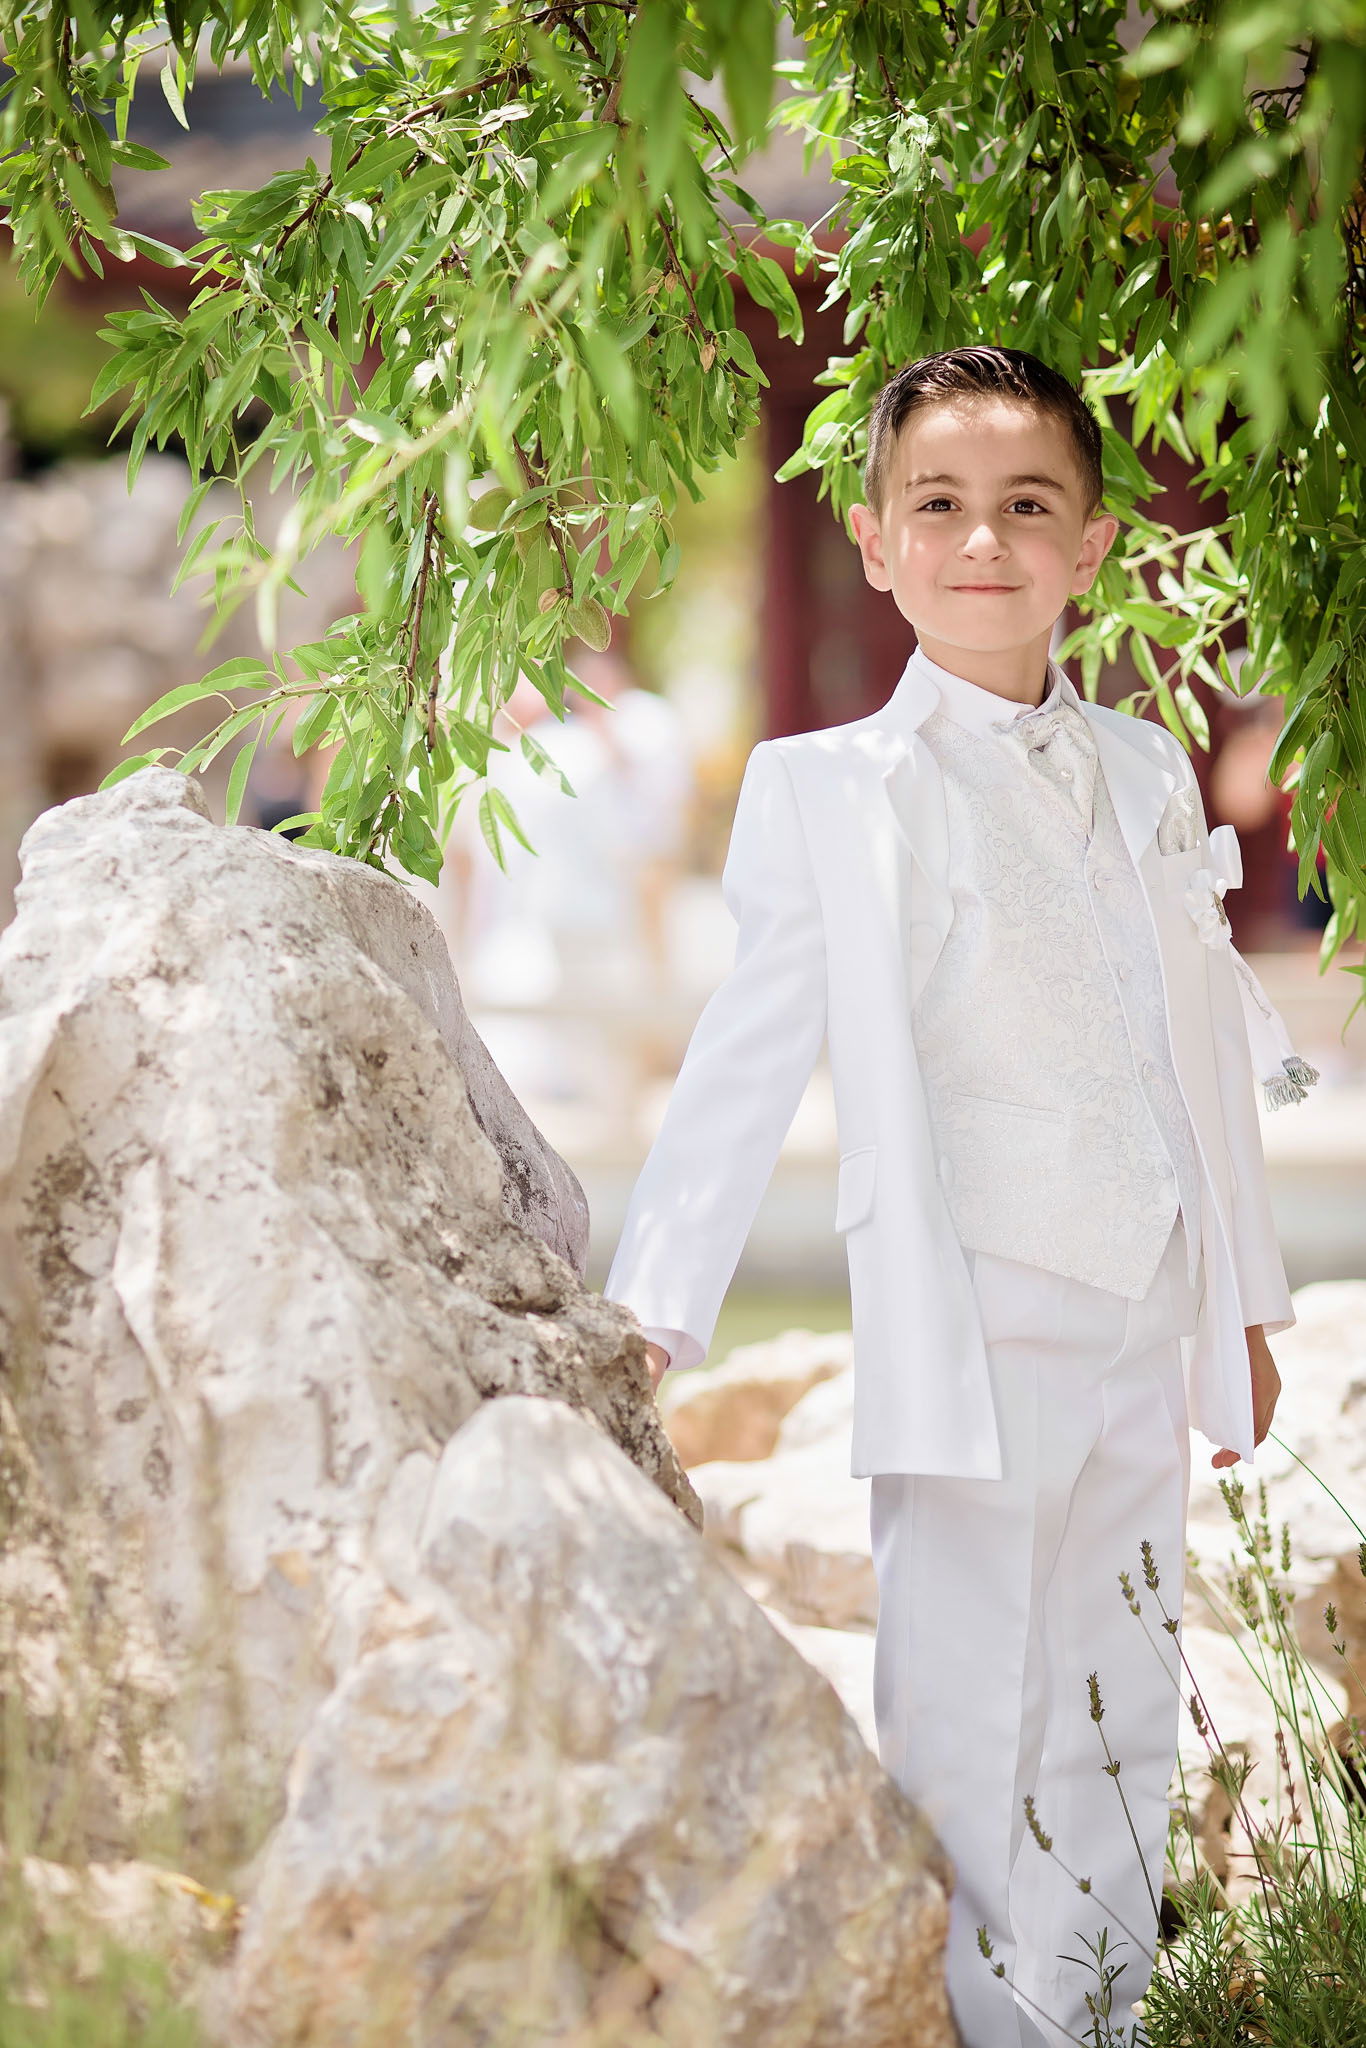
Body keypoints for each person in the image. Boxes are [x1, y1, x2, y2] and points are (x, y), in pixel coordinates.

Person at [601, 347, 1315, 2047]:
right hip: (975, 1302)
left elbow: (1202, 1056)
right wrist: (657, 1305)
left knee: (1116, 1673)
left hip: (1142, 1290)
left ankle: (1102, 2004)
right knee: (970, 1684)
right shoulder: (825, 791)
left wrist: (1248, 1302)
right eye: (938, 505)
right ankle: (983, 2017)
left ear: (1087, 546)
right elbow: (744, 1057)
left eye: (1025, 506)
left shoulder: (1147, 773)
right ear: (870, 539)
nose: (980, 540)